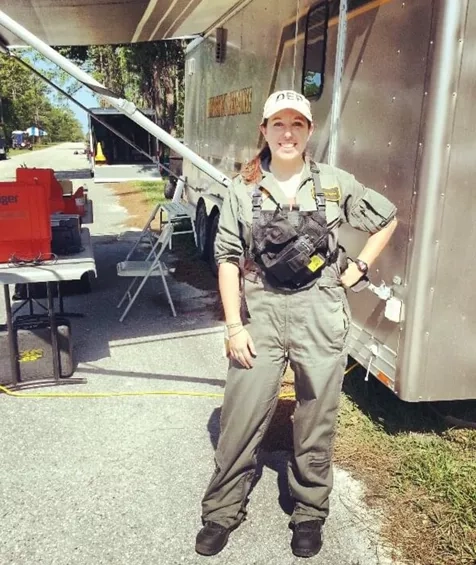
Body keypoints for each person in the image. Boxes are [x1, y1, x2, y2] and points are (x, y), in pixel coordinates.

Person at [195, 90, 398, 559]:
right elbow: (227, 258)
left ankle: (309, 512)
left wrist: (360, 267)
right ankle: (222, 511)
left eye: (298, 125)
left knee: (315, 418)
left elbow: (385, 218)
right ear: (264, 130)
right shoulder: (242, 188)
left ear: (309, 132)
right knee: (241, 416)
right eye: (278, 124)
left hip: (320, 313)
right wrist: (232, 326)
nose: (288, 134)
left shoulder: (333, 182)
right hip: (259, 315)